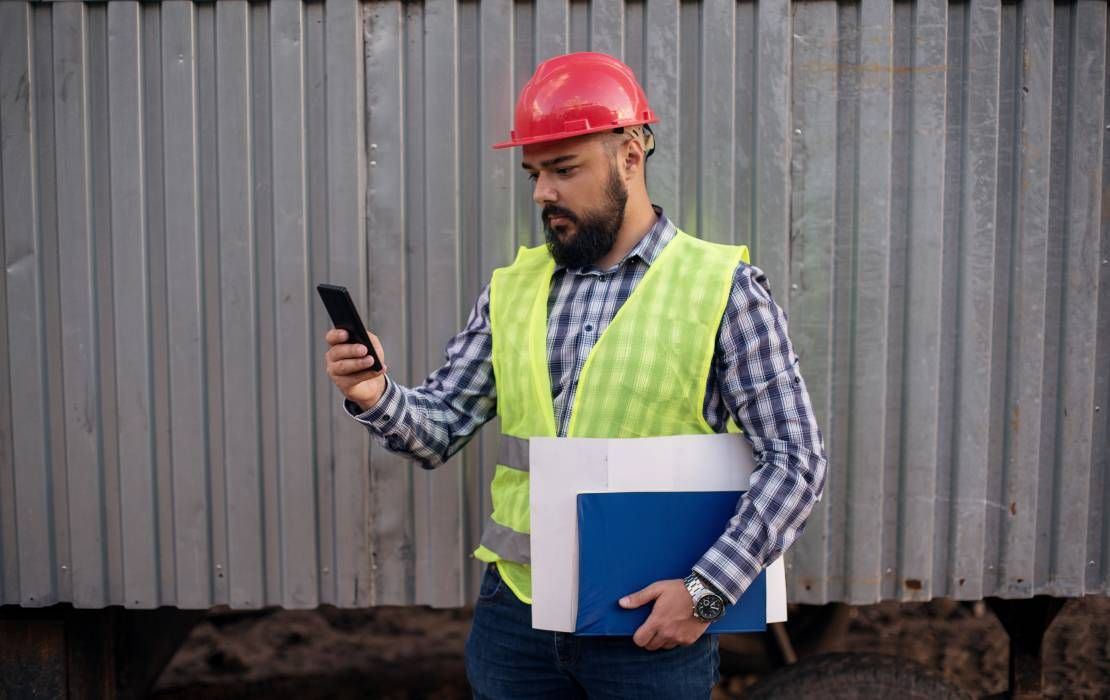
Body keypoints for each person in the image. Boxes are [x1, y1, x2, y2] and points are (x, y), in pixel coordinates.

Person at [324, 51, 827, 699]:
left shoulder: (723, 290)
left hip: (651, 625)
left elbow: (796, 460)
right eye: (534, 173)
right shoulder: (514, 289)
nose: (542, 193)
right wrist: (374, 395)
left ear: (630, 157)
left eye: (564, 169)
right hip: (517, 621)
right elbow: (437, 429)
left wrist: (706, 594)